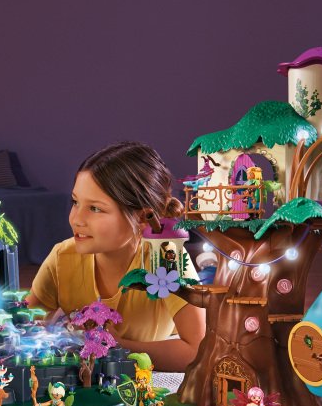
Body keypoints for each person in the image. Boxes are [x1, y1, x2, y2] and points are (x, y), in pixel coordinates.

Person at [27, 141, 205, 372]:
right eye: (75, 202)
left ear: (142, 218)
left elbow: (198, 351)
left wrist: (116, 348)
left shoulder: (166, 258)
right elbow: (25, 326)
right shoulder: (61, 257)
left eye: (95, 208)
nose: (76, 219)